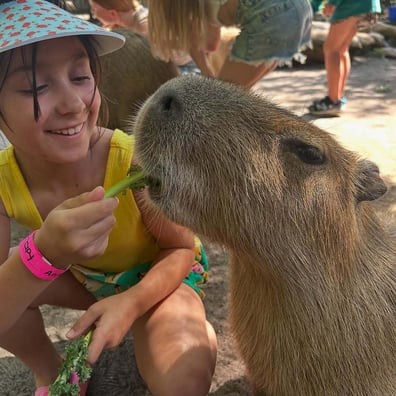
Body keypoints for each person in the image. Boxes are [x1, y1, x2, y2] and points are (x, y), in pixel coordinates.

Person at [0, 1, 217, 396]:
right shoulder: (2, 181)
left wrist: (131, 304)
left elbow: (180, 249)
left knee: (183, 374)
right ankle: (51, 371)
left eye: (80, 76)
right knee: (9, 287)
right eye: (36, 87)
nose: (72, 104)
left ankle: (191, 324)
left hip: (161, 275)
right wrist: (43, 254)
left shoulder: (132, 159)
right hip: (86, 280)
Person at [147, 0, 313, 89]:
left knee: (220, 99)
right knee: (237, 95)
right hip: (300, 8)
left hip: (270, 16)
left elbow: (211, 45)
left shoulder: (188, 8)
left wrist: (207, 73)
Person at [308, 0, 382, 116]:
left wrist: (332, 2)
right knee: (341, 49)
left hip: (352, 5)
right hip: (368, 6)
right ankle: (338, 98)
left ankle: (333, 101)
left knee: (331, 49)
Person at [88, 0, 199, 74]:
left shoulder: (145, 23)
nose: (94, 14)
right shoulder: (120, 26)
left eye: (94, 9)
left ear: (112, 13)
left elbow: (159, 63)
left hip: (184, 70)